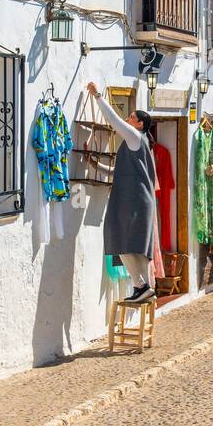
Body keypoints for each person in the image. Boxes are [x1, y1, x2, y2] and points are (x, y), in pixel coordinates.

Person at [86, 80, 157, 303]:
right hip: (141, 199)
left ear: (139, 124)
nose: (128, 119)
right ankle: (144, 289)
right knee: (136, 246)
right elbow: (119, 171)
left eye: (132, 117)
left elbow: (114, 121)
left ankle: (140, 285)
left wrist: (97, 95)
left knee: (120, 238)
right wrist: (95, 165)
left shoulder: (135, 137)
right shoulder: (139, 143)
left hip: (134, 199)